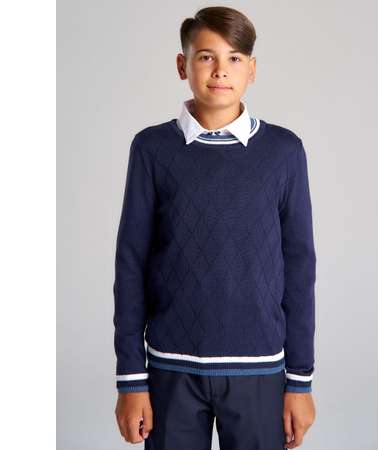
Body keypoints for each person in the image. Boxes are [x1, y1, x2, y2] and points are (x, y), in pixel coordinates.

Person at [113, 6, 317, 449]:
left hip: (260, 369)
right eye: (206, 57)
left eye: (235, 58)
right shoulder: (152, 149)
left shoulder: (283, 152)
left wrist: (300, 381)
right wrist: (131, 379)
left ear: (252, 69)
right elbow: (130, 264)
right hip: (170, 369)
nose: (221, 70)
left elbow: (300, 269)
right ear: (182, 64)